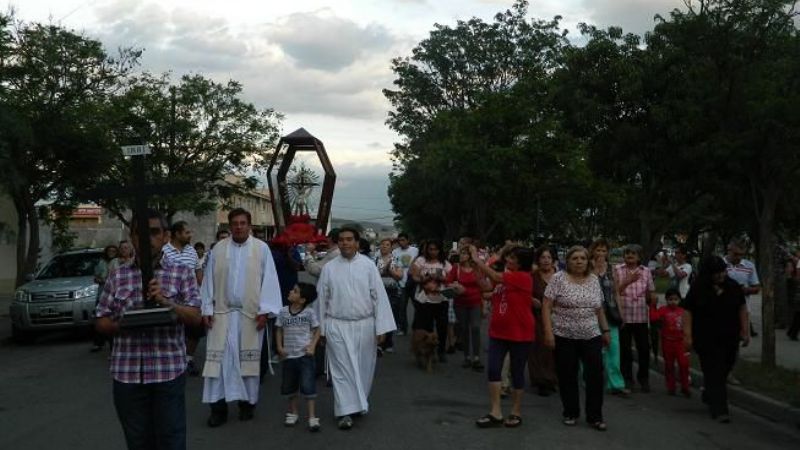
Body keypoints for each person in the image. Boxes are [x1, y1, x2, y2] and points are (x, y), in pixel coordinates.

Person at [94, 208, 201, 450]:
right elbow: (101, 320)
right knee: (138, 442)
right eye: (139, 233)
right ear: (131, 237)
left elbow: (196, 317)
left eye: (153, 232)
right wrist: (125, 323)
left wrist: (167, 302)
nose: (146, 238)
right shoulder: (117, 275)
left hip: (168, 372)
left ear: (165, 236)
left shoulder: (181, 273)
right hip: (127, 373)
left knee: (171, 441)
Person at [201, 208, 283, 427]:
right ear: (229, 226)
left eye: (242, 223)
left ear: (249, 225)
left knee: (248, 363)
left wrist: (265, 310)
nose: (238, 227)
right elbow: (208, 280)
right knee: (218, 364)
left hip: (250, 316)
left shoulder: (261, 249)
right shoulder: (218, 249)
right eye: (235, 223)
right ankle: (218, 409)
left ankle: (247, 404)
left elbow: (269, 279)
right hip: (222, 314)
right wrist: (207, 309)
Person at [316, 226, 396, 430]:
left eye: (349, 239)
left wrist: (382, 328)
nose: (345, 243)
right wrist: (321, 330)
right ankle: (344, 411)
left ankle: (358, 402)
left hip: (365, 325)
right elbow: (322, 300)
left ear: (357, 243)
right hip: (337, 325)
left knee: (362, 368)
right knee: (341, 370)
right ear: (338, 243)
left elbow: (379, 297)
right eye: (341, 240)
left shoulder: (368, 266)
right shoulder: (329, 268)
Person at [543, 246, 611, 432]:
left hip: (591, 335)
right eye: (575, 258)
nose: (579, 261)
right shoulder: (558, 278)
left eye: (582, 258)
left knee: (595, 376)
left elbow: (599, 308)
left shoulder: (593, 280)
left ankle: (595, 416)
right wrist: (548, 332)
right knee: (567, 375)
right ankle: (570, 412)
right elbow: (546, 306)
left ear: (588, 261)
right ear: (568, 261)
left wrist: (605, 330)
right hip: (564, 335)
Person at [471, 244, 534, 429]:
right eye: (509, 257)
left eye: (513, 258)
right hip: (498, 331)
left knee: (517, 372)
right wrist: (477, 270)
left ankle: (516, 411)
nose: (508, 260)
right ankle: (495, 411)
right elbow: (486, 289)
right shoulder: (507, 278)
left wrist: (477, 260)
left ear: (522, 263)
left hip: (520, 333)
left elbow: (496, 277)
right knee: (493, 369)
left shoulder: (523, 277)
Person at [683, 256, 750, 423]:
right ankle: (720, 409)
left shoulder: (733, 286)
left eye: (723, 271)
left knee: (726, 365)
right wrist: (688, 335)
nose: (721, 275)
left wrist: (745, 330)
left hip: (730, 336)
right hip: (705, 337)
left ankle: (709, 392)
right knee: (714, 371)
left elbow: (742, 308)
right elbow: (687, 311)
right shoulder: (698, 288)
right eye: (716, 273)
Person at [276, 283, 321, 432]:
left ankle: (312, 416)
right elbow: (279, 330)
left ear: (302, 300)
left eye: (295, 291)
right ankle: (293, 412)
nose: (290, 291)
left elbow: (317, 330)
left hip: (305, 356)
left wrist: (312, 346)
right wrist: (279, 347)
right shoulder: (283, 312)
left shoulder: (309, 313)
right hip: (289, 356)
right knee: (290, 386)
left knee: (308, 386)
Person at [163, 221, 204, 376]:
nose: (190, 235)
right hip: (171, 301)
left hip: (191, 301)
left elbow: (198, 270)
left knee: (195, 331)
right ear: (177, 234)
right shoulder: (164, 251)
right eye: (187, 232)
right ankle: (172, 360)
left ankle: (188, 359)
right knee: (173, 331)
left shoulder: (191, 251)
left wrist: (202, 290)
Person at [614, 243, 656, 392]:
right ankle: (627, 378)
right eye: (627, 253)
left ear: (639, 257)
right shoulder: (617, 269)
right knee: (625, 350)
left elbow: (651, 291)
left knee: (644, 349)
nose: (630, 256)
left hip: (641, 316)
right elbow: (614, 292)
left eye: (633, 254)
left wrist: (653, 300)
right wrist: (628, 281)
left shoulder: (646, 271)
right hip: (624, 316)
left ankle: (643, 378)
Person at [589, 239, 627, 396]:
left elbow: (616, 292)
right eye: (598, 250)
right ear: (592, 251)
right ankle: (589, 379)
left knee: (613, 348)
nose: (601, 253)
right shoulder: (587, 267)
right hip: (591, 314)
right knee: (592, 350)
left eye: (603, 250)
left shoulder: (612, 269)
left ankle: (615, 383)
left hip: (610, 313)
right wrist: (595, 269)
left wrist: (621, 312)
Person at [410, 239, 452, 362]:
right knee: (425, 326)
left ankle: (441, 351)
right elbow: (414, 277)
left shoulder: (445, 263)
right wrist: (424, 279)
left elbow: (451, 278)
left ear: (440, 250)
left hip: (441, 299)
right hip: (424, 300)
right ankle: (425, 352)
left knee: (442, 327)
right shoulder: (420, 261)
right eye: (431, 249)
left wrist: (440, 278)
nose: (433, 252)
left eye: (436, 249)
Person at [447, 245, 488, 371]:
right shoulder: (456, 268)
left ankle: (476, 357)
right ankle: (466, 357)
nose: (462, 255)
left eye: (465, 253)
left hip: (475, 302)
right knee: (464, 329)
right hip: (460, 303)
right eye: (461, 253)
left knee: (475, 328)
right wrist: (455, 286)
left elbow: (483, 287)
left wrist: (484, 305)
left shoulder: (477, 269)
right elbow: (448, 281)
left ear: (470, 256)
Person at [528, 245, 559, 396]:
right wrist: (531, 299)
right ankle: (541, 380)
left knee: (555, 350)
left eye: (548, 257)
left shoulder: (560, 276)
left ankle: (552, 378)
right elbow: (523, 293)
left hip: (558, 317)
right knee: (539, 349)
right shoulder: (532, 276)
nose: (546, 260)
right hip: (536, 317)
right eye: (543, 257)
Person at [650, 288, 690, 396]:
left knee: (684, 364)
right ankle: (671, 387)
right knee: (669, 365)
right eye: (670, 299)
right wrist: (653, 306)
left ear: (679, 300)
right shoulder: (663, 310)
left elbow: (688, 325)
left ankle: (685, 386)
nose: (673, 302)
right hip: (667, 342)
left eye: (675, 299)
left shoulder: (683, 311)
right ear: (666, 300)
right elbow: (653, 318)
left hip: (681, 342)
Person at [724, 238, 759, 337]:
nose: (739, 257)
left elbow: (756, 288)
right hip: (722, 308)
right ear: (729, 250)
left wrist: (746, 290)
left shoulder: (749, 266)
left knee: (741, 338)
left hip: (743, 309)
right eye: (736, 254)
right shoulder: (720, 264)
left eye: (741, 254)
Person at [375, 238, 403, 354]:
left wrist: (389, 271)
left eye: (387, 245)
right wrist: (383, 271)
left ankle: (388, 342)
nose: (384, 246)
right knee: (378, 316)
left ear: (391, 247)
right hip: (378, 291)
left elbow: (399, 276)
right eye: (382, 244)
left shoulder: (396, 259)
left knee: (390, 316)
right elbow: (373, 275)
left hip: (392, 291)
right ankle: (379, 343)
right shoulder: (375, 259)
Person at [90, 244, 119, 352]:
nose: (111, 253)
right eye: (109, 251)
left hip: (114, 293)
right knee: (100, 318)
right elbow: (95, 277)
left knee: (113, 318)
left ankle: (113, 344)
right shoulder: (101, 263)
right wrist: (101, 280)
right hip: (102, 293)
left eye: (113, 251)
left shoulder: (118, 262)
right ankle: (98, 343)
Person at [392, 232, 419, 335]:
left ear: (408, 240)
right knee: (402, 308)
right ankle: (403, 329)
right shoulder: (395, 252)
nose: (401, 242)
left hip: (413, 283)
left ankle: (417, 327)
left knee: (418, 306)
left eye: (403, 240)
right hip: (401, 283)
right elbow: (393, 266)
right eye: (399, 240)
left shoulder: (415, 250)